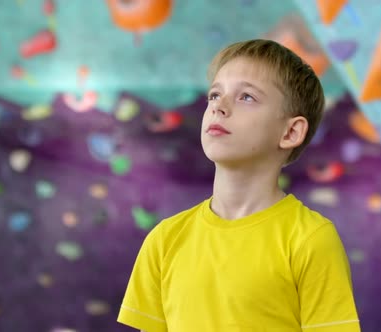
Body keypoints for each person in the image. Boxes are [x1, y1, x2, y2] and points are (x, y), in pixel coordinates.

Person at [117, 39, 360, 331]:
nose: (219, 106)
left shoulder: (311, 240)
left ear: (291, 131)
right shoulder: (164, 240)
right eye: (214, 95)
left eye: (246, 97)